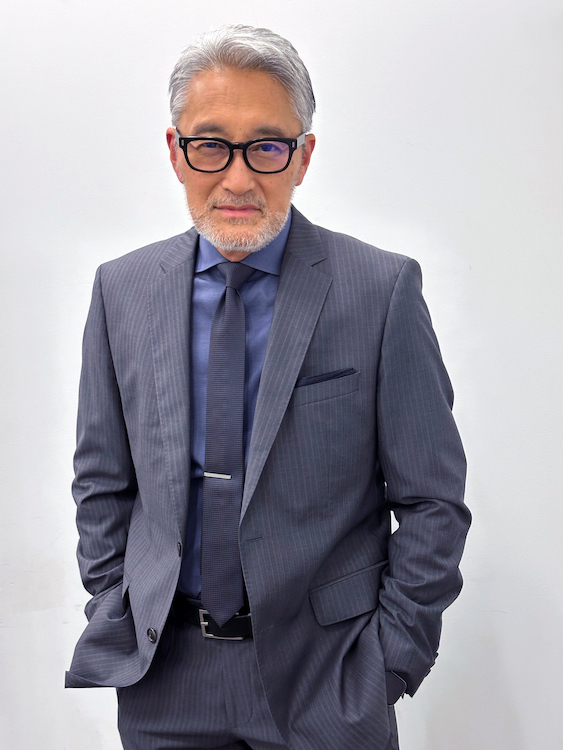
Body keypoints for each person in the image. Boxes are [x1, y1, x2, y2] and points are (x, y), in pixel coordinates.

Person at [66, 24, 470, 750]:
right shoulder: (120, 290)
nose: (237, 179)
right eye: (211, 145)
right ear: (175, 151)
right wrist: (113, 603)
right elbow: (102, 480)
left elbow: (431, 500)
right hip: (166, 681)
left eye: (267, 147)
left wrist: (387, 662)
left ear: (303, 156)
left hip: (327, 679)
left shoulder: (379, 290)